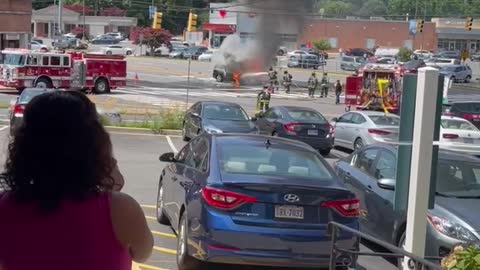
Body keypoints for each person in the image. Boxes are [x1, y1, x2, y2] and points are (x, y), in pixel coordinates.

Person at [0, 91, 153, 270]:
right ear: (94, 147)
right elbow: (143, 254)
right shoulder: (122, 209)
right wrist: (109, 172)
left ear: (24, 147)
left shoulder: (5, 207)